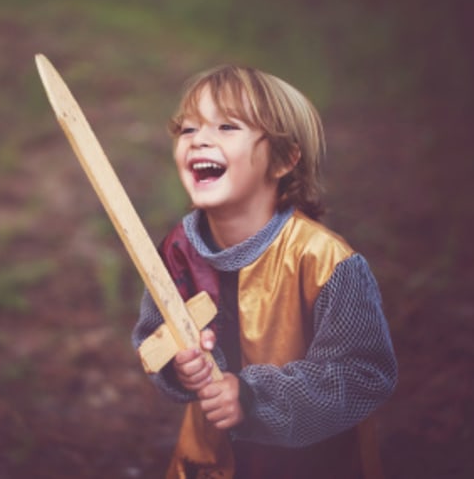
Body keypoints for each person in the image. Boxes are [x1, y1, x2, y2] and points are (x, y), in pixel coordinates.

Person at [132, 65, 397, 479]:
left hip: (309, 466)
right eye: (188, 129)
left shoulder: (325, 261)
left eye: (226, 127)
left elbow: (362, 374)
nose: (200, 139)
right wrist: (183, 368)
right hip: (211, 462)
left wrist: (253, 398)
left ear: (283, 159)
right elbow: (154, 338)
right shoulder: (177, 254)